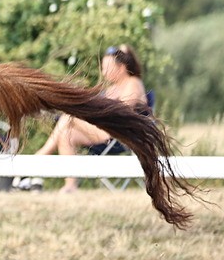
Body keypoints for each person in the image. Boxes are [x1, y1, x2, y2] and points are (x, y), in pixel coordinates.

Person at [18, 44, 150, 193]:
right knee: (66, 133)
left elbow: (122, 112)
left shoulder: (133, 83)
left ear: (121, 68)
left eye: (107, 67)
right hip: (105, 132)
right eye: (103, 67)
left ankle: (37, 159)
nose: (103, 71)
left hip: (121, 136)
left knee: (68, 117)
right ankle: (70, 185)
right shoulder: (111, 89)